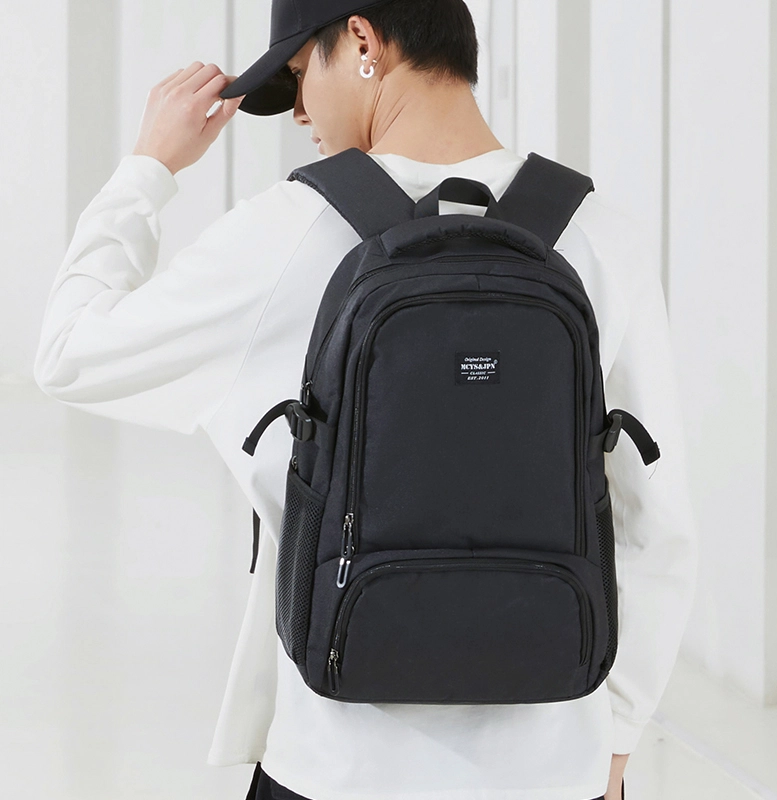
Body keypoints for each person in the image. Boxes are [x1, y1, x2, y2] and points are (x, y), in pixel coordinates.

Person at [33, 1, 698, 799]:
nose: (300, 112)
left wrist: (149, 166)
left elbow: (67, 352)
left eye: (299, 76)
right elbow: (656, 524)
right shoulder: (602, 234)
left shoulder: (283, 235)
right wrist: (615, 741)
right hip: (553, 765)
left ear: (360, 41)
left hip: (337, 764)